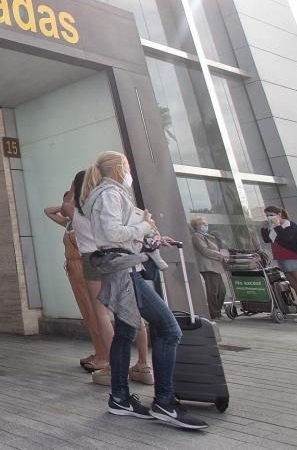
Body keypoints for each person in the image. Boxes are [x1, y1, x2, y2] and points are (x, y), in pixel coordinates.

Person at [82, 151, 208, 430]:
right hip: (125, 271)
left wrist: (151, 236)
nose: (128, 172)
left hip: (123, 267)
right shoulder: (109, 194)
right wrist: (145, 225)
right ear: (117, 170)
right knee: (169, 329)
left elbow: (118, 234)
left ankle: (120, 398)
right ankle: (164, 402)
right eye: (126, 166)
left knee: (126, 332)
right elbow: (113, 234)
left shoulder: (109, 193)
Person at [69, 170, 153, 386]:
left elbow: (63, 206)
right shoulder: (110, 202)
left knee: (102, 314)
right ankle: (143, 364)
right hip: (119, 257)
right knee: (134, 310)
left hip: (92, 259)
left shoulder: (78, 210)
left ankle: (114, 367)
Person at [44, 183, 107, 373]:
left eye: (68, 202)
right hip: (72, 268)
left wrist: (72, 202)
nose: (65, 206)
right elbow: (48, 211)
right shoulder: (69, 223)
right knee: (86, 312)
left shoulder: (84, 221)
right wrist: (65, 205)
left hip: (84, 266)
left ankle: (104, 354)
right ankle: (98, 350)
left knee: (95, 311)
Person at [190, 217, 228, 321]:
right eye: (202, 224)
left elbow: (219, 247)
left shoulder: (209, 236)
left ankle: (217, 312)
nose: (205, 226)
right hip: (208, 267)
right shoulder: (197, 237)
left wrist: (224, 254)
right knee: (213, 291)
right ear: (196, 226)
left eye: (205, 223)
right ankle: (214, 314)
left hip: (216, 266)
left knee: (222, 291)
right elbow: (205, 251)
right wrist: (220, 255)